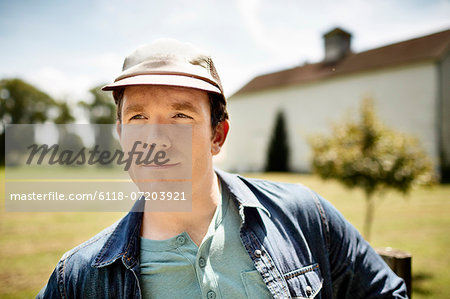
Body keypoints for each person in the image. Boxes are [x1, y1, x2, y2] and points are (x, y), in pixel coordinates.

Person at [37, 39, 408, 298]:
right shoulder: (80, 277)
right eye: (138, 117)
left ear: (218, 135)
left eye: (181, 115)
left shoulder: (304, 216)